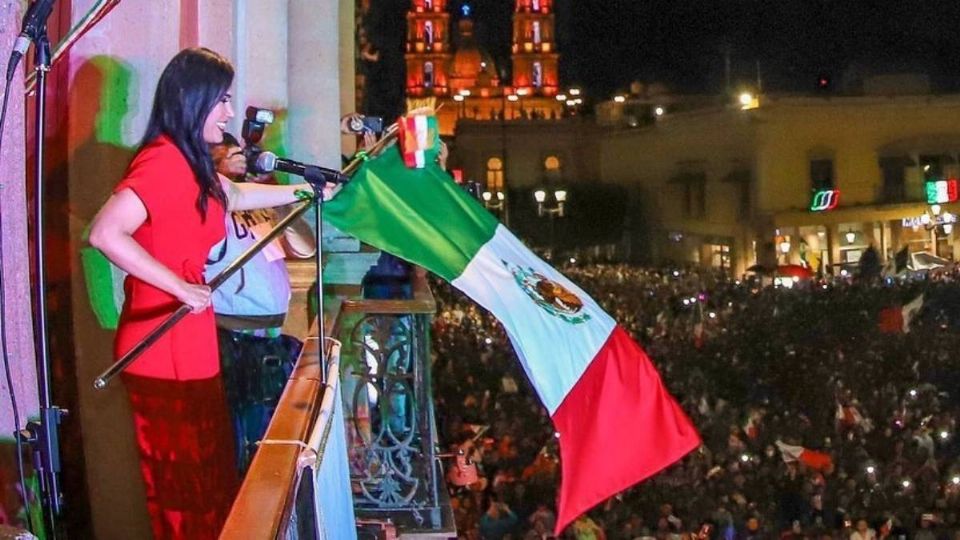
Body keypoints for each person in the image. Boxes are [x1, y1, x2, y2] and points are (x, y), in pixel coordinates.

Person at [88, 47, 333, 539]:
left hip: (191, 336)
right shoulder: (160, 161)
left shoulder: (190, 162)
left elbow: (237, 195)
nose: (227, 112)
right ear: (193, 99)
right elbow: (104, 233)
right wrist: (179, 285)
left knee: (208, 475)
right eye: (221, 100)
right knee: (180, 486)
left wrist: (305, 191)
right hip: (161, 338)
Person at [206, 132, 316, 472]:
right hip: (236, 341)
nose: (240, 160)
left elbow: (305, 248)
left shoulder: (256, 202)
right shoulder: (212, 204)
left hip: (271, 337)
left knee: (282, 435)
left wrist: (277, 199)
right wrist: (224, 181)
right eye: (230, 155)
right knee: (249, 440)